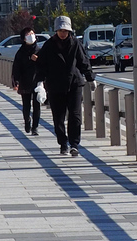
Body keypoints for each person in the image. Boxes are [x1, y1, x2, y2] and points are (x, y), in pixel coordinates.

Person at [34, 16, 95, 157]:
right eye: (60, 30)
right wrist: (39, 83)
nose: (63, 33)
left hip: (74, 83)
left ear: (69, 31)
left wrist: (90, 77)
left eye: (65, 30)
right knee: (58, 117)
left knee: (75, 115)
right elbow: (41, 66)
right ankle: (63, 143)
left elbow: (83, 61)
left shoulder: (75, 44)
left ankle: (74, 144)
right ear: (56, 30)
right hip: (55, 85)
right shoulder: (49, 45)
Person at [11, 27, 41, 136]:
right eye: (28, 34)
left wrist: (38, 60)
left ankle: (35, 127)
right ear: (24, 38)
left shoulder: (39, 50)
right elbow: (16, 68)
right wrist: (16, 82)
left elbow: (45, 65)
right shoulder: (20, 53)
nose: (31, 36)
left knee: (37, 105)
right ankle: (27, 120)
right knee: (26, 105)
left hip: (37, 81)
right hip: (25, 81)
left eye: (32, 33)